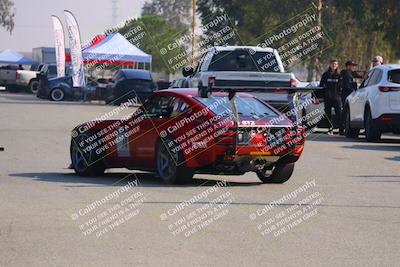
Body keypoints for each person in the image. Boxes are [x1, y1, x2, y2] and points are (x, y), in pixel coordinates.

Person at [339, 60, 363, 134]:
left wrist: (364, 75)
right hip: (346, 95)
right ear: (348, 66)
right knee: (345, 112)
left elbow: (358, 76)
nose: (354, 67)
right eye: (352, 66)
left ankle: (342, 128)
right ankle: (342, 128)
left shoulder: (350, 73)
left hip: (348, 95)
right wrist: (353, 90)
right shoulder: (346, 74)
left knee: (346, 112)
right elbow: (347, 86)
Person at [319, 59, 341, 135]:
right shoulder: (325, 74)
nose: (333, 65)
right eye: (332, 64)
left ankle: (341, 129)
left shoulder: (339, 75)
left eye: (335, 64)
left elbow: (342, 86)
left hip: (337, 98)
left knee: (339, 113)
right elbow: (321, 85)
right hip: (328, 98)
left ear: (337, 65)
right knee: (328, 114)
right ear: (330, 65)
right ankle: (329, 128)